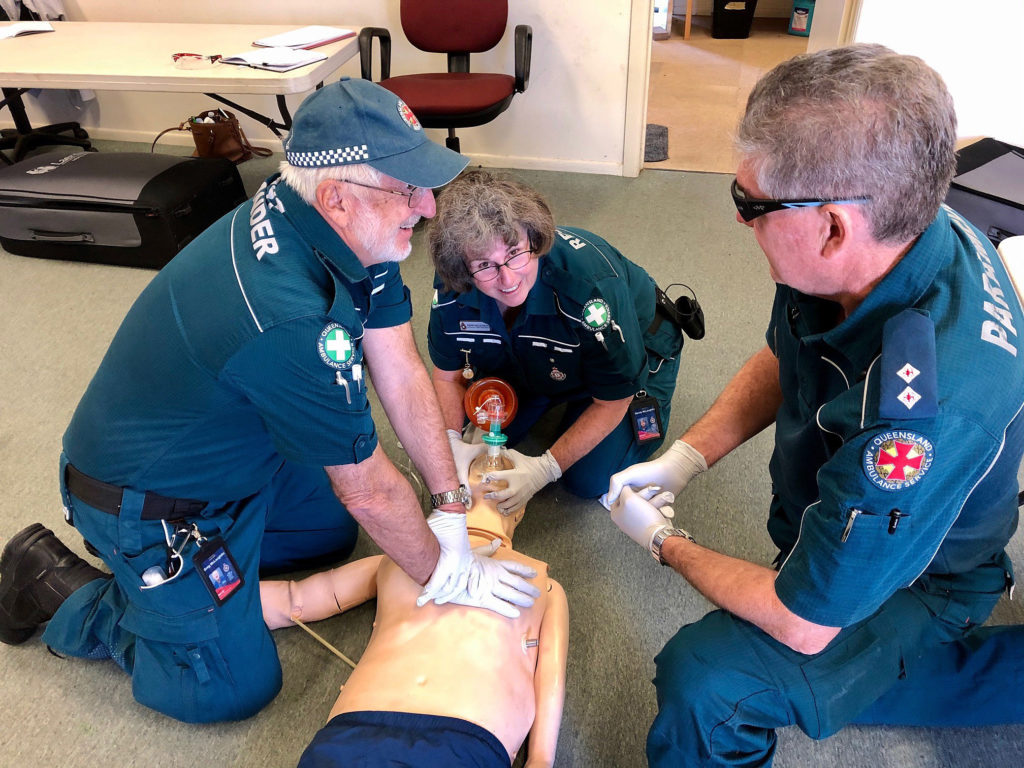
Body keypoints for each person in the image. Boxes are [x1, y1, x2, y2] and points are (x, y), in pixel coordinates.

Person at [0, 78, 540, 724]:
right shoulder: (291, 319)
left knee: (331, 536)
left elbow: (398, 363)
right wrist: (446, 574)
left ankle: (197, 596)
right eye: (408, 189)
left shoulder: (343, 224)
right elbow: (368, 491)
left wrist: (450, 505)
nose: (427, 208)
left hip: (237, 452)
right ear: (339, 197)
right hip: (146, 503)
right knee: (232, 690)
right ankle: (64, 585)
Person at [604, 44, 1024, 766]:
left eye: (749, 203)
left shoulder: (918, 416)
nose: (740, 219)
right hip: (845, 513)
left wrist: (663, 543)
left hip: (928, 578)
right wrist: (683, 460)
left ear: (833, 225)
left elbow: (804, 622)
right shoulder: (886, 235)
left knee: (711, 683)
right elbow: (787, 351)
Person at [261, 455, 569, 767]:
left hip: (464, 744)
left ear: (518, 508)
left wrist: (541, 759)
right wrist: (220, 594)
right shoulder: (395, 558)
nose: (483, 476)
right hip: (355, 737)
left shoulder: (542, 584)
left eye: (497, 472)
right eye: (468, 469)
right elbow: (294, 599)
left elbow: (551, 680)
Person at [427, 169, 686, 513]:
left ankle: (611, 400)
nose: (507, 278)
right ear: (461, 266)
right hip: (538, 356)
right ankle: (545, 389)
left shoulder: (591, 291)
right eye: (485, 264)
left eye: (516, 253)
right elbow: (447, 375)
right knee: (476, 440)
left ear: (535, 239)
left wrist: (544, 468)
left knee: (586, 479)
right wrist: (450, 443)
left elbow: (614, 400)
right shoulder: (453, 282)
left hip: (631, 351)